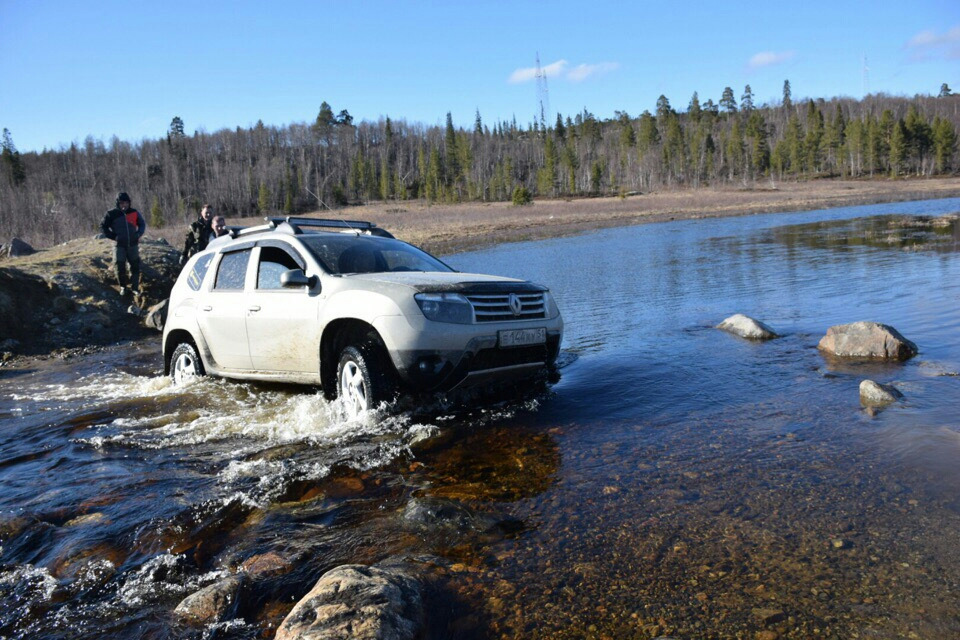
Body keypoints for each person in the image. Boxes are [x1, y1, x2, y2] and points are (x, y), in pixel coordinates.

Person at [100, 191, 146, 296]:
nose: (124, 205)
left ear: (129, 203)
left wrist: (138, 234)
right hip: (119, 245)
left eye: (126, 203)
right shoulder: (111, 214)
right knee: (119, 266)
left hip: (133, 245)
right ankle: (123, 287)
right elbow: (102, 227)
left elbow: (142, 223)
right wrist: (113, 236)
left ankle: (135, 288)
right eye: (121, 203)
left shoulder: (134, 212)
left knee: (134, 266)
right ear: (118, 203)